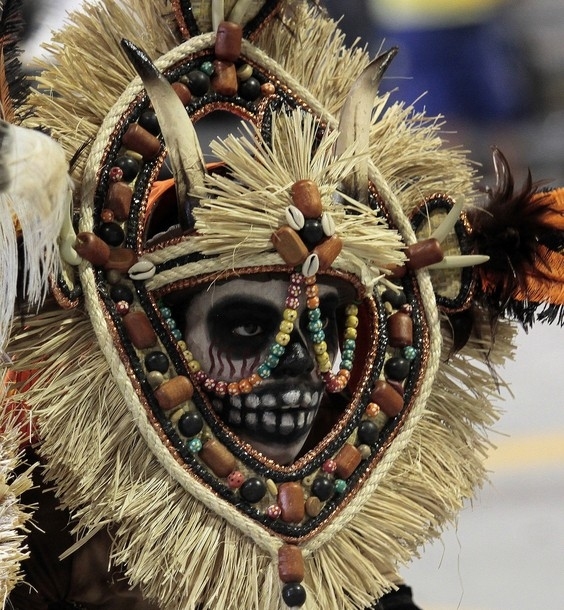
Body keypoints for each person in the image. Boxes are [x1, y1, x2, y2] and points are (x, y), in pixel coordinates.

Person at [1, 1, 563, 609]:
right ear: (155, 338)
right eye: (245, 326)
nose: (306, 364)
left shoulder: (352, 587)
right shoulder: (39, 545)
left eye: (330, 320)